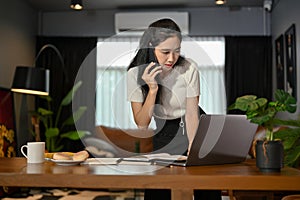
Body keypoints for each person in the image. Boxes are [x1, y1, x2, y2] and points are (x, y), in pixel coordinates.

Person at [127, 18, 221, 200]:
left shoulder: (188, 68)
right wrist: (152, 89)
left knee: (206, 183)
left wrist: (194, 150)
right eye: (165, 52)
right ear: (150, 47)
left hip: (195, 124)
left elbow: (192, 114)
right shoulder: (134, 74)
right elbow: (142, 123)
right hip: (165, 129)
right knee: (158, 186)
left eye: (177, 51)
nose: (172, 58)